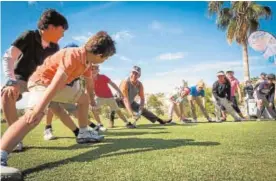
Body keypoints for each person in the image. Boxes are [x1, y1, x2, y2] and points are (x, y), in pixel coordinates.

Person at [0, 31, 115, 174]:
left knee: (83, 98)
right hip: (41, 83)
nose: (105, 61)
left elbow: (89, 85)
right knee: (34, 116)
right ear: (100, 55)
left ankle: (83, 133)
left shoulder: (87, 62)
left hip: (56, 86)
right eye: (106, 58)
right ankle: (1, 157)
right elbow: (54, 84)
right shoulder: (73, 55)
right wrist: (38, 109)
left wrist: (92, 102)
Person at [1, 9, 68, 151]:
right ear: (51, 27)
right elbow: (9, 57)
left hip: (40, 82)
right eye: (62, 30)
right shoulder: (28, 36)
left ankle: (51, 128)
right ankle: (14, 138)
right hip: (21, 78)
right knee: (7, 93)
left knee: (46, 106)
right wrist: (11, 81)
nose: (63, 35)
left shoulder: (55, 47)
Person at [90, 65, 135, 129]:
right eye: (92, 69)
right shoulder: (89, 80)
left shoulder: (103, 77)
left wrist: (120, 92)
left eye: (96, 69)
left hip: (109, 97)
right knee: (93, 108)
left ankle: (127, 123)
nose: (94, 70)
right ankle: (100, 124)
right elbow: (88, 90)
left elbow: (112, 84)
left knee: (117, 111)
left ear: (98, 70)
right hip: (99, 98)